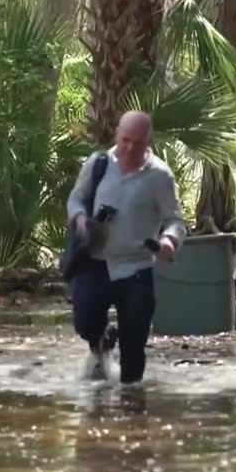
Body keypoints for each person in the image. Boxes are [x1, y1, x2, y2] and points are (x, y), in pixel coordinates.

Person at [66, 111, 187, 384]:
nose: (130, 148)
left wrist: (169, 241)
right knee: (85, 323)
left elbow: (176, 221)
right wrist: (80, 219)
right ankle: (102, 343)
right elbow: (76, 199)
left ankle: (132, 408)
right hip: (95, 262)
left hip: (137, 267)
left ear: (149, 141)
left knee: (134, 346)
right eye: (125, 140)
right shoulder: (97, 164)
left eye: (138, 142)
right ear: (117, 135)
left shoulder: (160, 176)